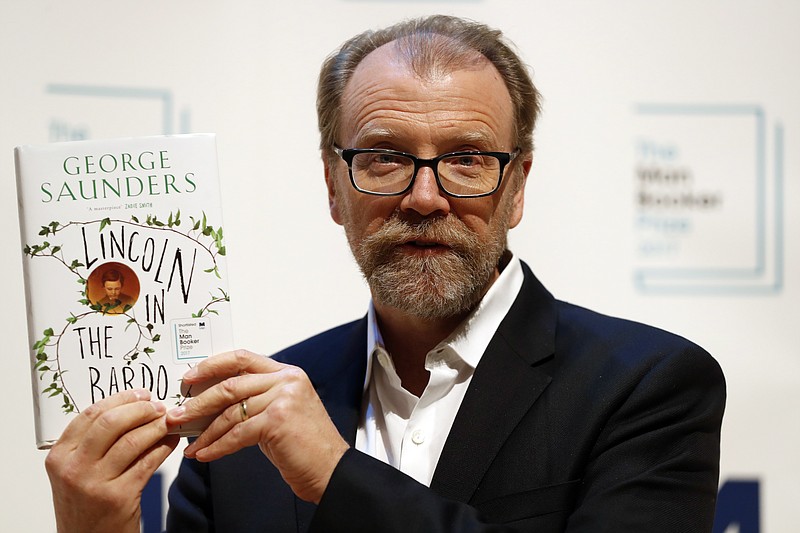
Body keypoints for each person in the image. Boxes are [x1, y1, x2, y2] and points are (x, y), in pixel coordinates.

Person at [44, 15, 726, 532]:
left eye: (466, 158)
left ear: (517, 186)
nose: (425, 197)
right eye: (384, 158)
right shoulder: (238, 432)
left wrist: (338, 476)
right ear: (334, 187)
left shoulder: (648, 387)